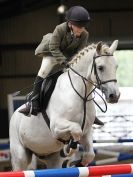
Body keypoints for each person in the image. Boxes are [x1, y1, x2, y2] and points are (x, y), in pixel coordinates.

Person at [19, 6, 90, 116]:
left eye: (83, 26)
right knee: (43, 72)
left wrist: (72, 62)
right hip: (52, 53)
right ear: (70, 24)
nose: (81, 29)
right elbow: (53, 47)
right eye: (78, 26)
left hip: (68, 56)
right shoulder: (60, 29)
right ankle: (34, 101)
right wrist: (63, 61)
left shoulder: (85, 34)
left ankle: (87, 109)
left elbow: (80, 52)